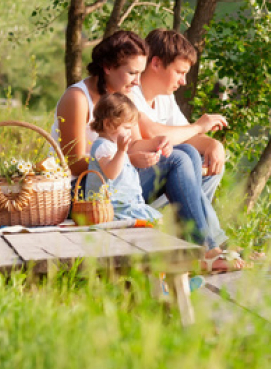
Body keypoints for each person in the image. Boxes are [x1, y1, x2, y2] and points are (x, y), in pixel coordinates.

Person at [53, 30, 245, 272]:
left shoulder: (123, 95)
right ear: (107, 67)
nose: (136, 81)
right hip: (83, 192)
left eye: (139, 73)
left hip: (116, 182)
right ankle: (205, 249)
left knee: (184, 151)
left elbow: (132, 144)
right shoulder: (77, 98)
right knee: (176, 159)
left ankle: (199, 245)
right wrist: (127, 159)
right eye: (132, 73)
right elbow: (75, 163)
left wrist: (158, 145)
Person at [129, 28, 229, 204]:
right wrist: (199, 126)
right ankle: (199, 226)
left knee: (213, 162)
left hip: (152, 179)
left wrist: (213, 145)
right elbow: (152, 133)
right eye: (179, 72)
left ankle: (192, 223)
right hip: (131, 181)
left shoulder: (165, 97)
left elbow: (186, 136)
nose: (183, 81)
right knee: (181, 156)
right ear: (156, 64)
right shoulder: (129, 91)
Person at [86, 92, 161, 223]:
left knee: (158, 220)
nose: (130, 133)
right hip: (112, 207)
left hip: (127, 203)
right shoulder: (103, 146)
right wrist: (121, 151)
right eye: (126, 128)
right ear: (108, 124)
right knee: (154, 221)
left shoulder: (113, 146)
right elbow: (111, 173)